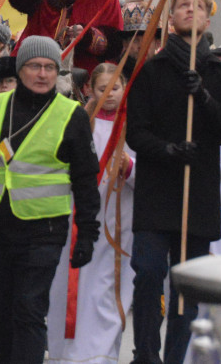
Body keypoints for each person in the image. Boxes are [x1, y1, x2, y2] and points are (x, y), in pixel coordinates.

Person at [0, 35, 100, 364]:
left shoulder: (72, 115)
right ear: (20, 68)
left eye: (49, 67)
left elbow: (85, 180)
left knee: (28, 309)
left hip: (44, 230)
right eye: (34, 66)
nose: (42, 74)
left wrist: (87, 231)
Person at [126, 0, 221, 364]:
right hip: (157, 193)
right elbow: (136, 132)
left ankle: (175, 357)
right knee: (147, 272)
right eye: (182, 6)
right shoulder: (153, 70)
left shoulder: (220, 75)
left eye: (198, 7)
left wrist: (205, 99)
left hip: (197, 197)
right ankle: (146, 351)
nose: (189, 10)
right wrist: (168, 150)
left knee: (185, 290)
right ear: (171, 19)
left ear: (208, 20)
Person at [47, 63, 137, 364]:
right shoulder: (79, 123)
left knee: (109, 287)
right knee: (72, 283)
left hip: (119, 218)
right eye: (102, 89)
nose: (110, 95)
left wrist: (130, 168)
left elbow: (150, 172)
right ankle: (67, 351)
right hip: (79, 216)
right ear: (89, 90)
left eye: (116, 88)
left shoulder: (134, 126)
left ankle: (102, 352)